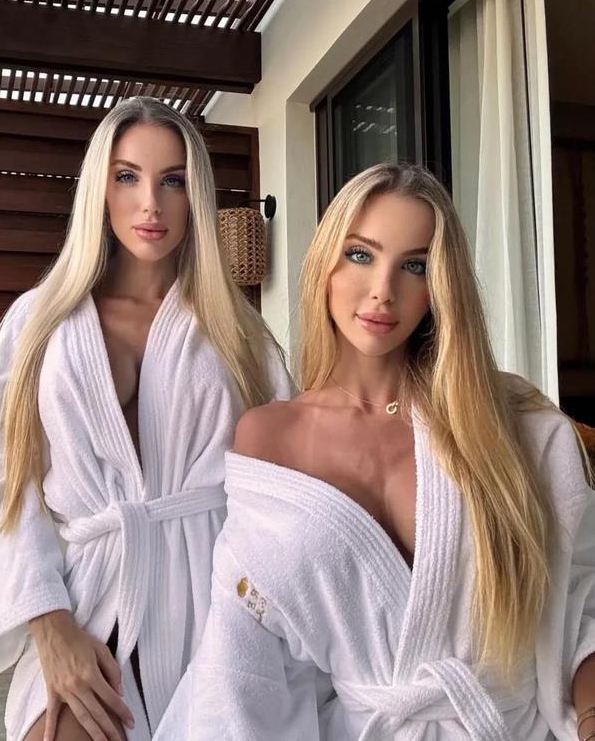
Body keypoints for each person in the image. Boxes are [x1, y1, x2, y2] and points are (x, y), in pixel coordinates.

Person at [155, 163, 595, 740]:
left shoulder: (514, 426)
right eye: (361, 255)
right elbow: (242, 657)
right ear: (325, 265)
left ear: (440, 288)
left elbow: (581, 598)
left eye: (415, 266)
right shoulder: (269, 437)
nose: (383, 290)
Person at [0, 97, 291, 741]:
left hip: (213, 608)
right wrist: (48, 622)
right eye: (127, 177)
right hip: (86, 604)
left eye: (173, 181)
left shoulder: (238, 333)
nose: (151, 204)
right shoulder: (42, 320)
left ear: (195, 196)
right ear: (99, 190)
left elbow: (282, 482)